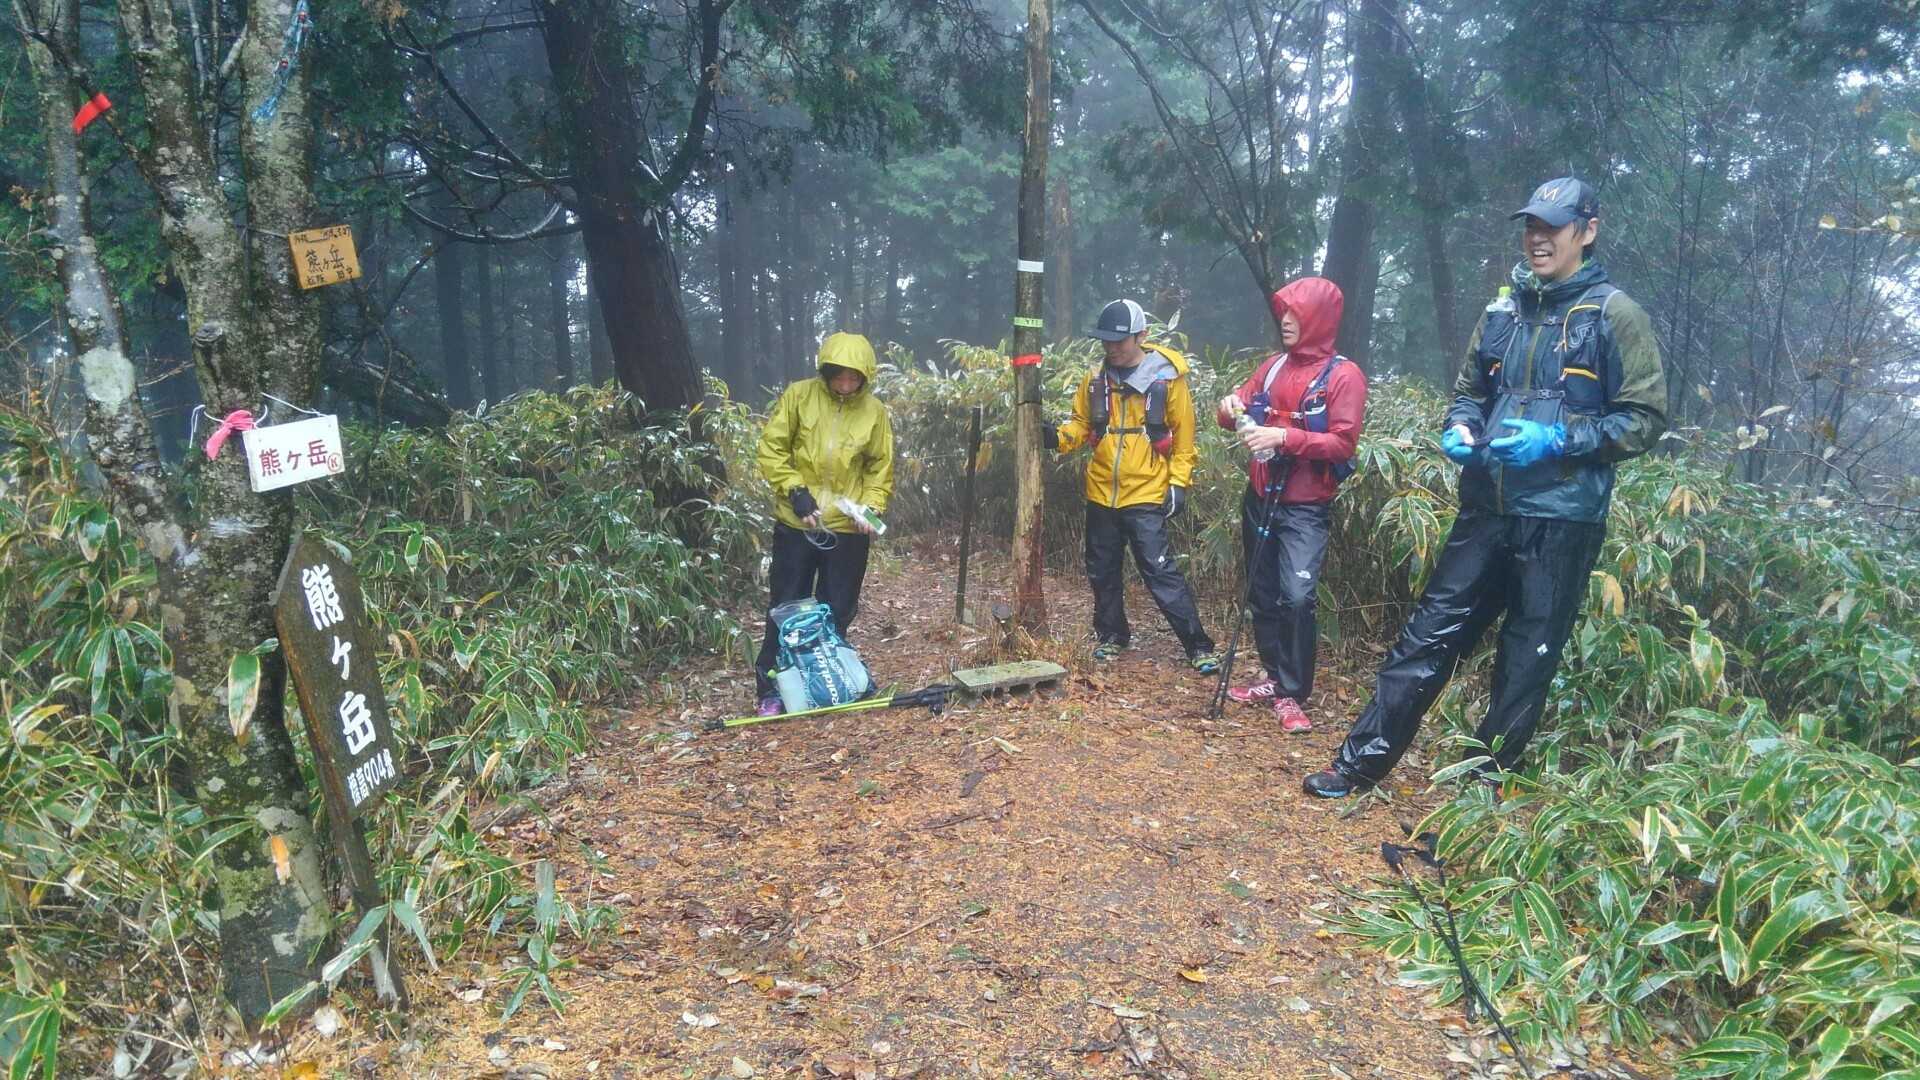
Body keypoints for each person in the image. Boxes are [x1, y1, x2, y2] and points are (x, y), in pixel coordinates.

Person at [1304, 177, 1667, 798]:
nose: (1538, 238)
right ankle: (1358, 765)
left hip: (1561, 519)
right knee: (1427, 635)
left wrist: (1557, 439)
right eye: (1531, 226)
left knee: (1525, 660)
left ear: (1588, 230)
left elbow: (1645, 419)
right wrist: (1461, 427)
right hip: (1486, 505)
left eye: (1552, 227)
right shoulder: (1504, 310)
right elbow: (1471, 391)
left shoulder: (1615, 314)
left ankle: (1478, 800)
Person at [1216, 277, 1367, 733]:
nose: (1284, 320)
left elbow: (1343, 444)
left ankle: (1293, 692)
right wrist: (1229, 408)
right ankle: (1274, 677)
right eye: (1283, 312)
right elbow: (1233, 413)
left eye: (1294, 314)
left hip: (1305, 507)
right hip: (1260, 496)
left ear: (1318, 319)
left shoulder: (1344, 376)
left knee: (1297, 597)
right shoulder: (1273, 367)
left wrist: (1284, 437)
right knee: (1261, 591)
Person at [1044, 299, 1221, 672]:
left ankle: (1198, 646)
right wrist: (1056, 438)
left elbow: (1184, 438)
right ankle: (1112, 636)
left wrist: (1178, 483)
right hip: (1101, 490)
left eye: (1119, 340)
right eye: (1106, 340)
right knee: (1102, 569)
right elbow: (1080, 425)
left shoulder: (1167, 379)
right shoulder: (1096, 379)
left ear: (1142, 336)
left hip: (1146, 491)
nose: (1111, 347)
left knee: (1159, 570)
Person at [752, 332, 895, 716]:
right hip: (797, 523)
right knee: (786, 606)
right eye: (839, 376)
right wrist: (794, 490)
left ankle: (827, 682)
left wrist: (871, 508)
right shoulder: (799, 396)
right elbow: (772, 447)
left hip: (846, 530)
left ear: (865, 376)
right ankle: (772, 688)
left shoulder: (874, 412)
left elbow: (879, 466)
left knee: (838, 609)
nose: (845, 384)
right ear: (826, 372)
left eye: (854, 377)